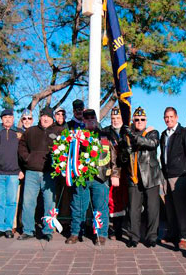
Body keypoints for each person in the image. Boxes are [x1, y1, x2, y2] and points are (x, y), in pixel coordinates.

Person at [65, 109, 120, 245]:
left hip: (101, 177)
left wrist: (115, 174)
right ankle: (75, 233)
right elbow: (70, 155)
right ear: (83, 120)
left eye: (92, 118)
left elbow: (114, 157)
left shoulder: (105, 135)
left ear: (96, 119)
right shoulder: (77, 136)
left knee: (101, 207)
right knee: (78, 206)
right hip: (82, 177)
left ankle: (101, 234)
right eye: (87, 118)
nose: (90, 120)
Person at [18, 106, 64, 241]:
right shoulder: (30, 131)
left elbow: (66, 147)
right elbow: (21, 147)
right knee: (28, 202)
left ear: (52, 118)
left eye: (48, 117)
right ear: (40, 117)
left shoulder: (59, 131)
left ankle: (48, 230)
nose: (46, 119)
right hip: (32, 172)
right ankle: (28, 230)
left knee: (49, 203)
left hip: (49, 173)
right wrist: (27, 158)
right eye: (43, 116)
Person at [121, 106, 163, 248]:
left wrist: (133, 137)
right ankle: (134, 237)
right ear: (133, 120)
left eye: (142, 119)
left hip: (151, 176)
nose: (139, 121)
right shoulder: (127, 135)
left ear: (146, 120)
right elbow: (122, 158)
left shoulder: (152, 132)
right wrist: (126, 152)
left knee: (152, 209)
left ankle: (151, 237)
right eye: (136, 119)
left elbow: (152, 144)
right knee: (133, 209)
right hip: (134, 176)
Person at [160, 107, 186, 250]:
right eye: (166, 117)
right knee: (169, 207)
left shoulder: (184, 133)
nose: (168, 119)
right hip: (167, 175)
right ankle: (172, 233)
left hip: (180, 176)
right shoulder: (164, 134)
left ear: (176, 117)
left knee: (181, 208)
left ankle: (183, 236)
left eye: (171, 117)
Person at [0, 109, 24, 239]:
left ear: (13, 119)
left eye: (10, 117)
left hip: (13, 173)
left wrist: (21, 169)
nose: (7, 119)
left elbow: (23, 153)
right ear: (1, 119)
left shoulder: (19, 133)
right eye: (5, 117)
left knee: (11, 201)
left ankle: (8, 227)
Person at [103, 106, 129, 240]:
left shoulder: (128, 130)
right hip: (113, 171)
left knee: (127, 200)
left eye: (118, 118)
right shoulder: (105, 132)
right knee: (113, 200)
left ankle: (127, 228)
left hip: (128, 171)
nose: (115, 120)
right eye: (113, 118)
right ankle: (115, 229)